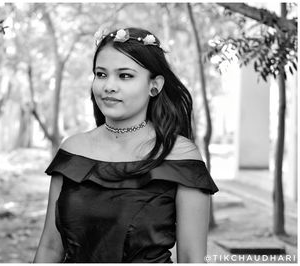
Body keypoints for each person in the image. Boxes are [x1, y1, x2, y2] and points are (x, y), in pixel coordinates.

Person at [33, 27, 219, 263]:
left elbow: (192, 258)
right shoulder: (73, 151)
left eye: (125, 76)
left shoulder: (179, 155)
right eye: (101, 74)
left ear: (155, 85)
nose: (109, 86)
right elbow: (50, 247)